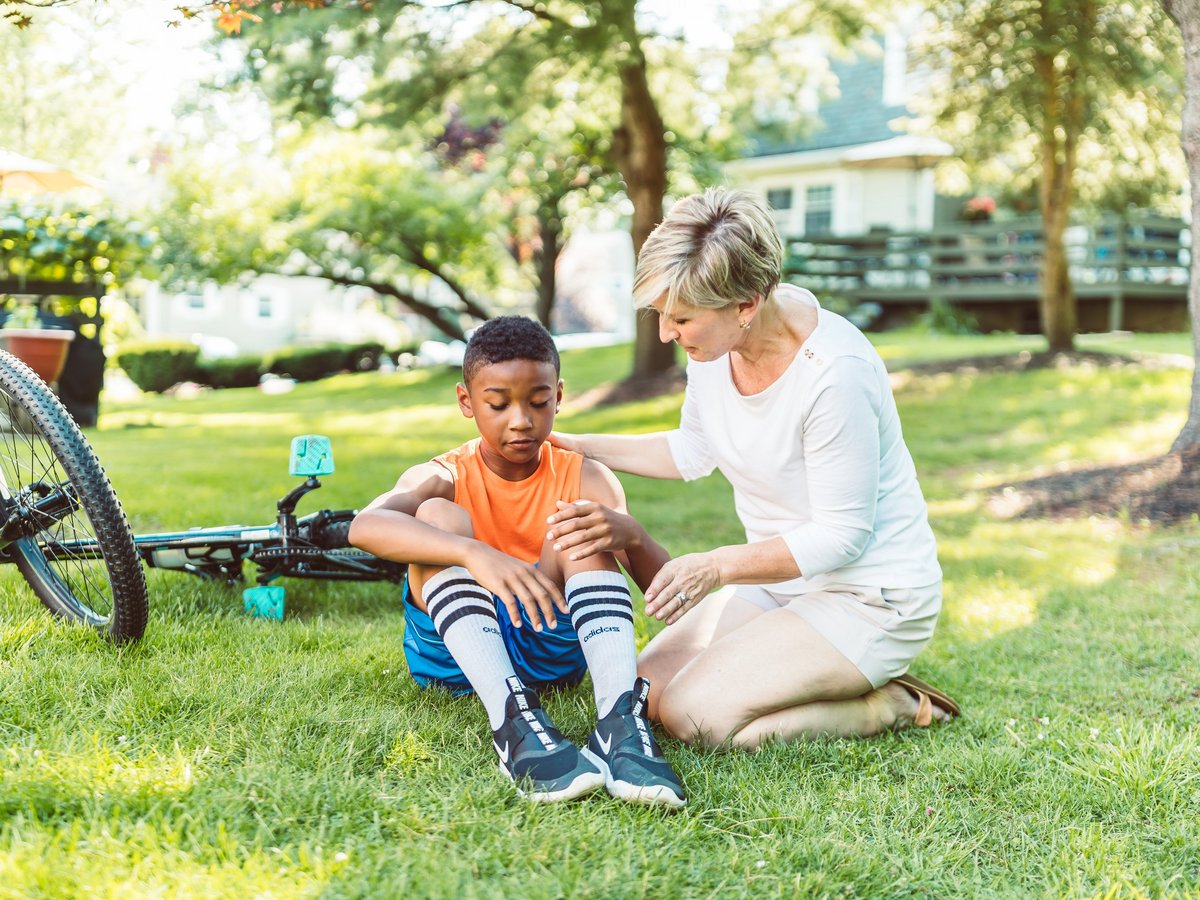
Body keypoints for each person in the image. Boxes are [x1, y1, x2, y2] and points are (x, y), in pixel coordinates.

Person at [546, 187, 960, 750]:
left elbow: (842, 536)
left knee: (698, 717)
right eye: (663, 315)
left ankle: (887, 704)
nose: (667, 333)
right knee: (642, 692)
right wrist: (574, 444)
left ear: (746, 305)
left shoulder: (835, 375)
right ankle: (795, 667)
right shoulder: (717, 350)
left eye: (682, 319)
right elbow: (692, 450)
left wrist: (715, 566)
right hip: (782, 585)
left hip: (869, 598)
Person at [349, 316, 686, 807]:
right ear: (467, 401)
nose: (521, 421)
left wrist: (632, 536)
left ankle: (618, 724)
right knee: (436, 517)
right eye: (498, 404)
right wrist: (472, 552)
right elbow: (364, 526)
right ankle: (512, 723)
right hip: (455, 662)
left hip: (550, 646)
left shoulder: (584, 475)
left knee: (580, 522)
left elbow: (667, 596)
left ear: (559, 395)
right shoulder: (444, 473)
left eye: (537, 401)